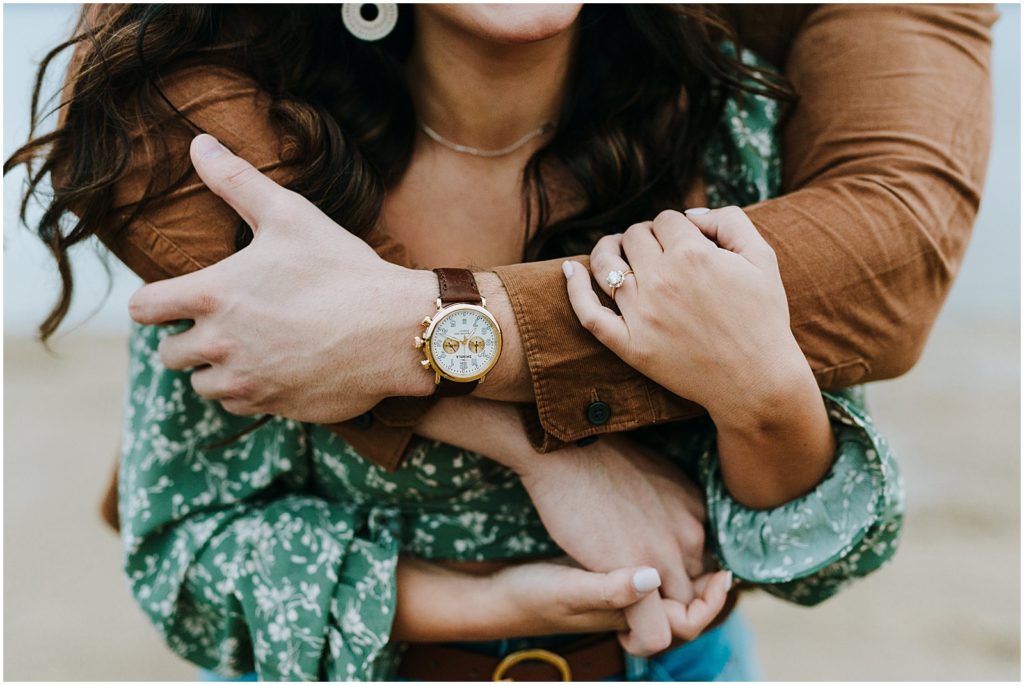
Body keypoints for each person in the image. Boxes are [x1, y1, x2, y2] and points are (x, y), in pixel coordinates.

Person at [5, 3, 992, 681]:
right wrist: (490, 600)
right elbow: (183, 547)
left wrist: (763, 393)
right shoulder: (263, 169)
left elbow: (823, 557)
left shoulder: (721, 129)